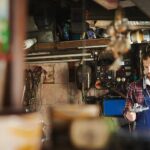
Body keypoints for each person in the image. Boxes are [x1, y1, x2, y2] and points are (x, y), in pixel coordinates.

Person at [124, 49, 150, 132]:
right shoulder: (134, 87)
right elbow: (126, 110)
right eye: (146, 67)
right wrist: (129, 115)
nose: (149, 70)